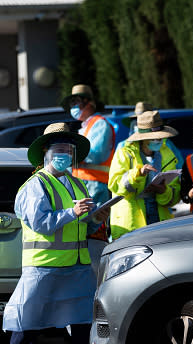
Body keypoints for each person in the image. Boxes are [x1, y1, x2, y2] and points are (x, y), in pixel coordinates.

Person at [0, 122, 123, 344]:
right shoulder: (35, 186)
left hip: (75, 265)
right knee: (30, 318)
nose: (65, 154)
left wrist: (96, 218)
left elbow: (82, 224)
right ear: (45, 151)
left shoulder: (77, 185)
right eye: (59, 148)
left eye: (69, 149)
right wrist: (73, 213)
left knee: (81, 322)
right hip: (44, 265)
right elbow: (40, 223)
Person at [60, 84, 115, 269]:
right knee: (86, 233)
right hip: (84, 185)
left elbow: (97, 154)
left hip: (95, 185)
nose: (74, 107)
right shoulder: (85, 127)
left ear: (89, 103)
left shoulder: (99, 123)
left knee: (93, 233)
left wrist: (73, 155)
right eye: (72, 103)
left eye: (77, 102)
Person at [108, 110, 182, 240]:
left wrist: (164, 191)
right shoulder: (124, 153)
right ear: (143, 139)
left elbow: (174, 197)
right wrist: (137, 174)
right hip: (130, 226)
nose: (158, 140)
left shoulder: (167, 154)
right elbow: (115, 186)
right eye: (154, 137)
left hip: (159, 223)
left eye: (160, 136)